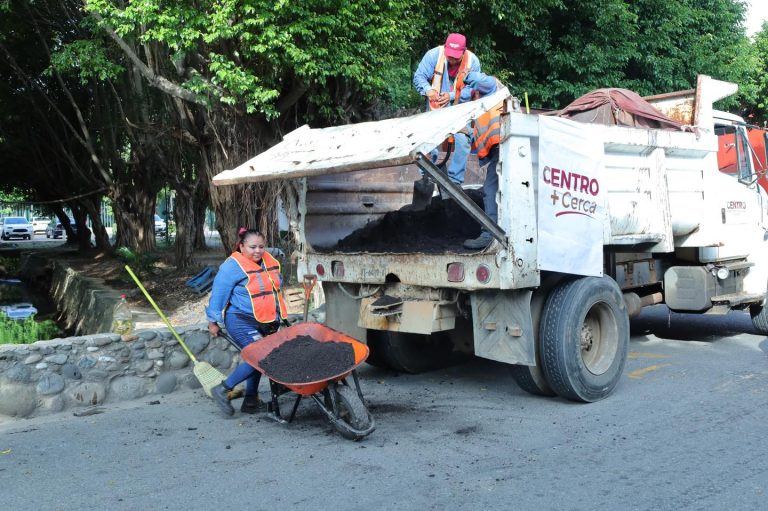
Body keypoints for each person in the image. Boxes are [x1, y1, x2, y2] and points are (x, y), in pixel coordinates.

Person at [205, 228, 288, 416]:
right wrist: (212, 321)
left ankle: (251, 401)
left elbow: (273, 288)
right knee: (260, 356)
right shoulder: (232, 266)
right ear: (241, 246)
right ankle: (223, 388)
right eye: (252, 247)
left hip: (264, 320)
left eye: (261, 246)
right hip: (239, 320)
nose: (257, 251)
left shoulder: (267, 260)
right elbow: (218, 295)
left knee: (259, 357)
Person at [413, 33, 481, 185]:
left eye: (456, 57)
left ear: (463, 52)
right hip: (435, 110)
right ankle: (428, 177)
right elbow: (419, 77)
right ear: (445, 48)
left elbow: (473, 88)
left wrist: (451, 96)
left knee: (463, 141)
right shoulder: (433, 55)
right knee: (426, 142)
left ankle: (454, 184)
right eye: (449, 55)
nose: (452, 59)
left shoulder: (473, 62)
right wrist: (428, 90)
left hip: (459, 111)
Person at [461, 71, 506, 249]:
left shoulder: (491, 85)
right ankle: (493, 232)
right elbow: (464, 96)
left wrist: (464, 75)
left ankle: (489, 234)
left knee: (490, 188)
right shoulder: (480, 103)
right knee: (495, 189)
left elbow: (479, 80)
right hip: (500, 149)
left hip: (504, 146)